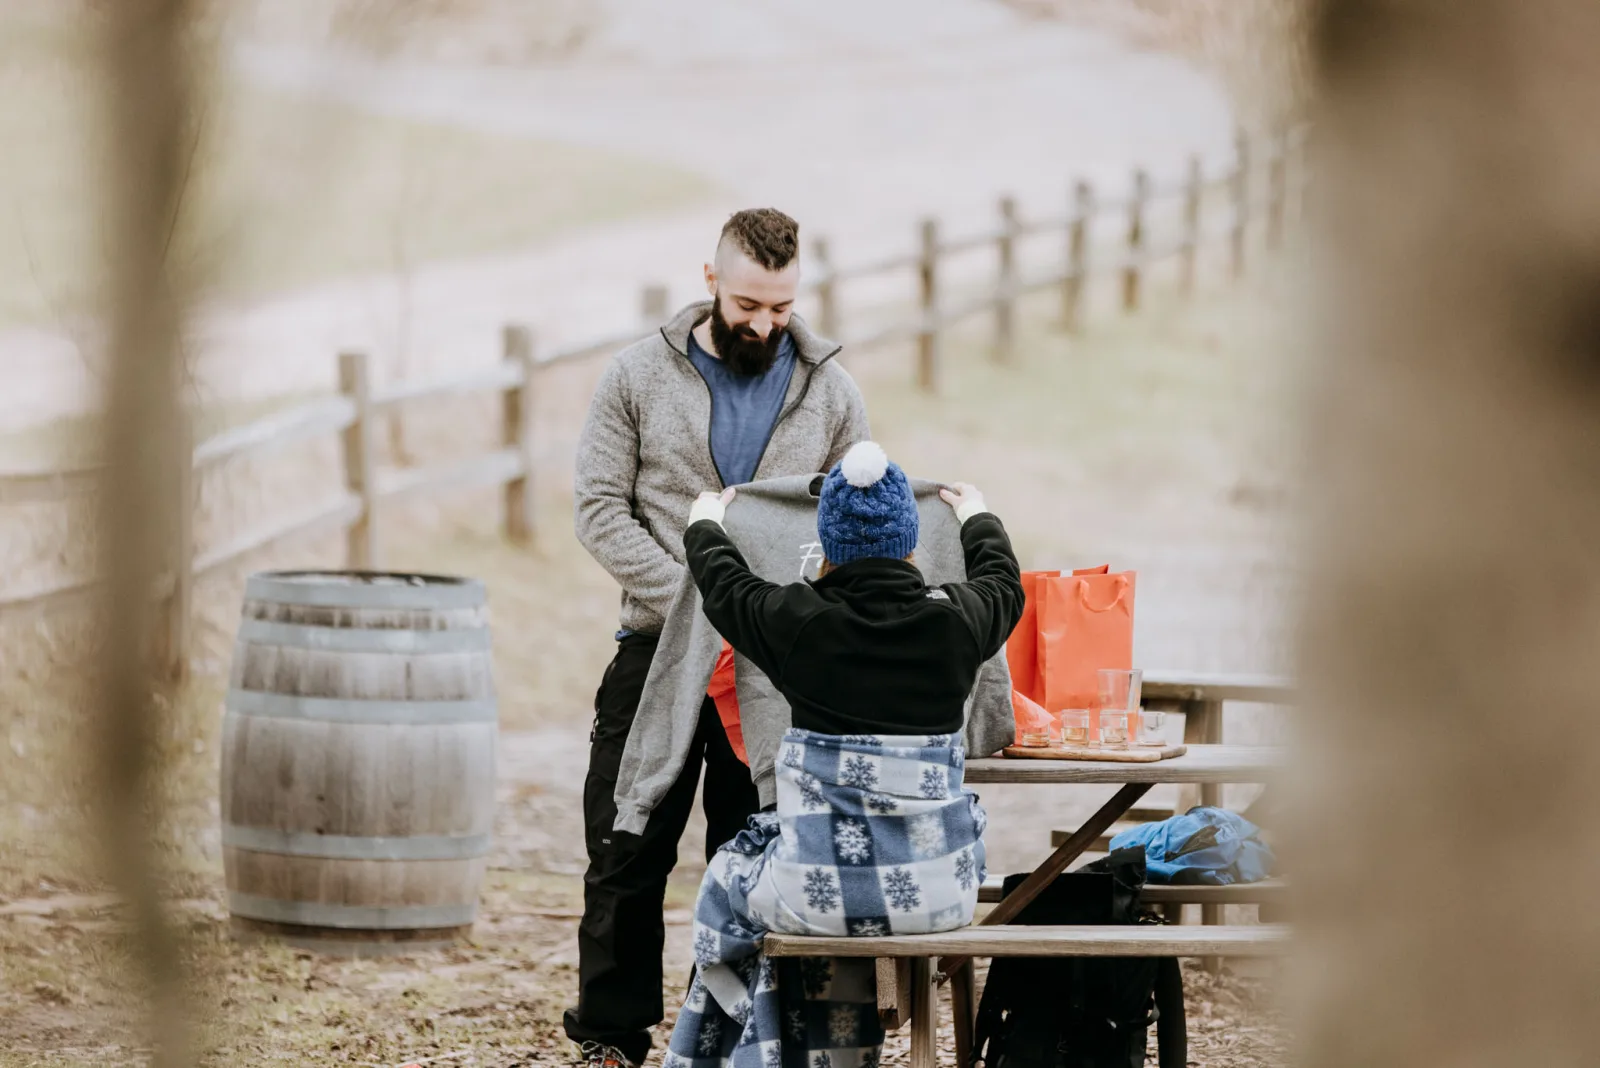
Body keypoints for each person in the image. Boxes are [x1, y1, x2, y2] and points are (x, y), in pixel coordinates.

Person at [567, 208, 870, 1068]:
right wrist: (707, 605)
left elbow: (855, 521)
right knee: (626, 845)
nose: (765, 325)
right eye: (747, 304)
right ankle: (610, 1039)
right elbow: (598, 511)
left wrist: (780, 621)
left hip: (774, 667)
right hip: (656, 650)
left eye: (780, 307)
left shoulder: (834, 393)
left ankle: (743, 1037)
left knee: (762, 850)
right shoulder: (634, 376)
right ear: (710, 281)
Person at [663, 442, 1025, 1066]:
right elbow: (1003, 581)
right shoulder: (959, 621)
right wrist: (978, 516)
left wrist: (704, 522)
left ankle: (756, 1043)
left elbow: (726, 585)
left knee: (730, 869)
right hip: (943, 895)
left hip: (816, 900)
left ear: (827, 546)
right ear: (910, 544)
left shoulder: (795, 620)